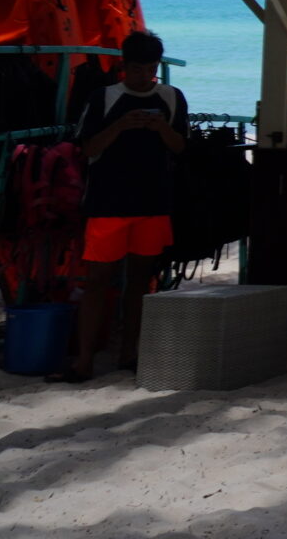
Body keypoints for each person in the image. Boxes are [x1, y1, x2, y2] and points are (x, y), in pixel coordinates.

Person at [61, 30, 185, 382]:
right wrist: (120, 126)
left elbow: (179, 147)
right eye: (137, 69)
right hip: (107, 202)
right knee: (97, 280)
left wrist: (160, 128)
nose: (144, 76)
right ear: (124, 67)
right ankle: (84, 360)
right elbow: (86, 149)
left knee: (140, 282)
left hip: (153, 201)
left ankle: (129, 354)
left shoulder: (171, 98)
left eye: (150, 69)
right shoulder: (104, 98)